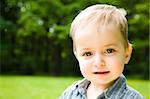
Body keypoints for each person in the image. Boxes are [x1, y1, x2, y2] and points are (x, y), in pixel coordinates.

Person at [59, 4, 144, 99]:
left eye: (109, 51)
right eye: (88, 53)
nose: (98, 62)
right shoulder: (70, 94)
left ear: (127, 54)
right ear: (77, 56)